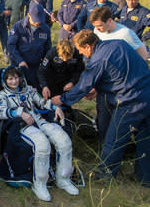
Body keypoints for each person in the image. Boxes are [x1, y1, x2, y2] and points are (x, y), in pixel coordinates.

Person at [52, 30, 150, 186]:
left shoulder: (98, 59)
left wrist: (62, 100)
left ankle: (104, 176)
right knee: (145, 137)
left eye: (80, 48)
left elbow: (83, 86)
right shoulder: (118, 43)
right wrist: (99, 88)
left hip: (130, 102)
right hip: (146, 92)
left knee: (114, 138)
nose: (79, 52)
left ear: (89, 46)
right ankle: (145, 177)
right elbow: (119, 73)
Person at [0, 67, 77, 202]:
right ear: (5, 81)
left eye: (16, 78)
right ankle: (40, 184)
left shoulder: (29, 90)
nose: (14, 81)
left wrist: (56, 108)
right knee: (42, 145)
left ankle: (63, 179)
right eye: (10, 79)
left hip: (39, 121)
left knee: (64, 140)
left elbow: (42, 102)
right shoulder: (1, 96)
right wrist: (20, 113)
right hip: (23, 126)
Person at [6, 4, 51, 89]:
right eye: (35, 20)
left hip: (36, 66)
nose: (38, 23)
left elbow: (48, 48)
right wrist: (20, 60)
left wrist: (45, 65)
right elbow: (11, 45)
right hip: (19, 65)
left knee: (34, 90)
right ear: (28, 15)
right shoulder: (18, 26)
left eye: (40, 20)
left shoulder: (46, 29)